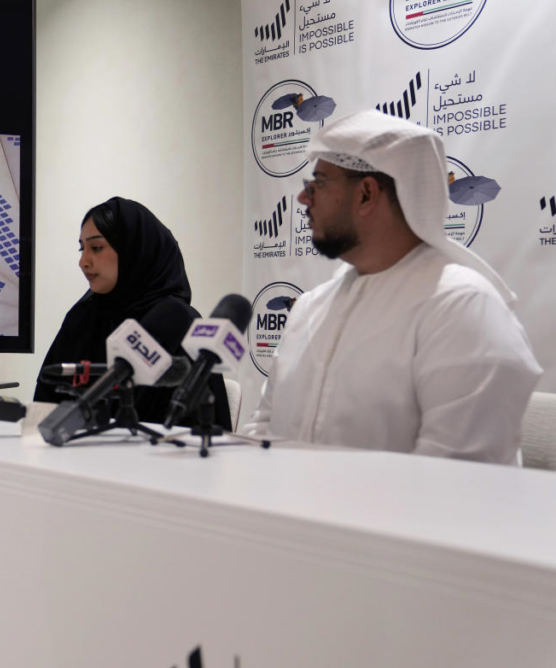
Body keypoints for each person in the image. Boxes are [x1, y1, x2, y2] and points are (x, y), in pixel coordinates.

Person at [242, 110, 541, 464]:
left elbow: (455, 483)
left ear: (367, 194)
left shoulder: (461, 307)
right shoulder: (311, 306)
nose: (304, 200)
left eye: (318, 183)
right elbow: (262, 430)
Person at [34, 197, 231, 427]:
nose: (83, 261)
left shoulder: (177, 323)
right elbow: (43, 407)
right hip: (67, 456)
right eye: (82, 248)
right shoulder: (82, 317)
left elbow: (202, 429)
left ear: (134, 249)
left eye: (96, 248)